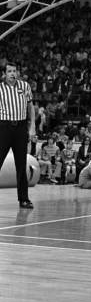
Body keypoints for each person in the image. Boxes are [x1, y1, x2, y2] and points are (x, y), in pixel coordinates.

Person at [0, 61, 36, 208]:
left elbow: (30, 107)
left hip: (21, 127)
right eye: (9, 71)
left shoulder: (24, 86)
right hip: (3, 127)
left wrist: (32, 126)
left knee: (21, 164)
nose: (12, 74)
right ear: (4, 74)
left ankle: (24, 198)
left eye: (14, 71)